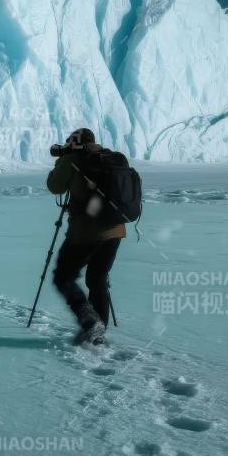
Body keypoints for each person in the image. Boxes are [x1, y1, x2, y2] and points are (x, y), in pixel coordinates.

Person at [45, 128, 127, 345]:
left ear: (74, 144)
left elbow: (54, 186)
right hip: (115, 229)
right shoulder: (110, 157)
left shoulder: (71, 160)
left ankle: (90, 322)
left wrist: (62, 161)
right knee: (97, 279)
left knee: (62, 277)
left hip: (86, 232)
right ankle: (98, 333)